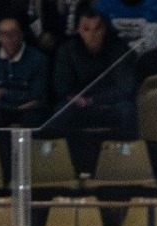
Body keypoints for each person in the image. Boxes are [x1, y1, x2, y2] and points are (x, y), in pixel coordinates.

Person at [50, 9, 140, 139]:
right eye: (86, 29)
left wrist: (95, 100)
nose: (92, 35)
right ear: (78, 30)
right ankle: (67, 151)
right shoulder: (67, 51)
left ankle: (125, 150)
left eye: (97, 29)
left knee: (128, 110)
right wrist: (75, 98)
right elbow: (62, 86)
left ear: (105, 29)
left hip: (109, 104)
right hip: (79, 105)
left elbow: (125, 87)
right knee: (60, 111)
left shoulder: (120, 49)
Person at [0, 16, 50, 127]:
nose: (9, 37)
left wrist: (4, 93)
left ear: (21, 35)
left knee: (35, 120)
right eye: (4, 34)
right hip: (0, 110)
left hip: (30, 111)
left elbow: (37, 96)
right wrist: (19, 101)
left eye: (13, 33)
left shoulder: (38, 59)